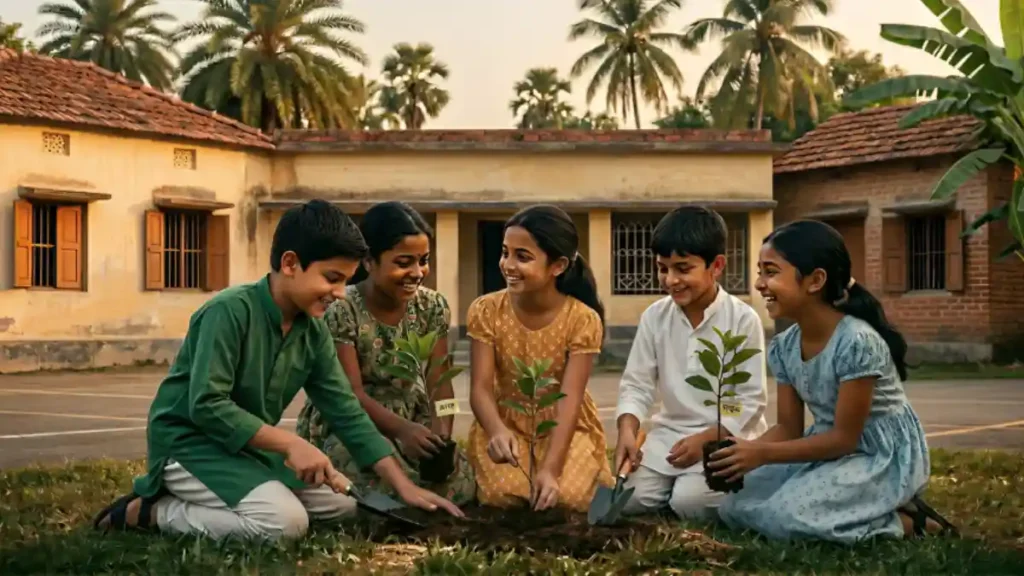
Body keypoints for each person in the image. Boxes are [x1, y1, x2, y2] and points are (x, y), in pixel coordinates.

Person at [91, 199, 463, 542]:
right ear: (290, 264)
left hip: (247, 451)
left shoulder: (313, 329)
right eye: (332, 278)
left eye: (346, 282)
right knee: (284, 524)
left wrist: (402, 485)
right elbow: (206, 405)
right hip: (191, 447)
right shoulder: (228, 312)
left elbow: (346, 408)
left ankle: (233, 498)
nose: (339, 292)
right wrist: (291, 444)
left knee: (345, 507)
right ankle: (154, 512)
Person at [712, 219, 957, 543]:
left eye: (770, 272)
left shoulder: (857, 342)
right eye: (760, 272)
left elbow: (844, 439)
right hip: (825, 446)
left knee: (786, 517)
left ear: (815, 281)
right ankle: (865, 507)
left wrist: (763, 455)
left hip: (878, 456)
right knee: (734, 506)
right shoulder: (784, 347)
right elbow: (788, 429)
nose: (759, 283)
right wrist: (744, 452)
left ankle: (911, 521)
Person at [295, 201, 475, 505]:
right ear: (369, 261)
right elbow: (350, 394)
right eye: (404, 262)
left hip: (414, 422)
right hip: (354, 422)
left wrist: (441, 437)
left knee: (463, 485)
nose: (417, 273)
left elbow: (441, 384)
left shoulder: (432, 307)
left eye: (424, 260)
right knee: (371, 484)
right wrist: (402, 431)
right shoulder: (343, 309)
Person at [614, 206, 769, 521]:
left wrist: (707, 438)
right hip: (669, 437)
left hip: (726, 439)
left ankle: (690, 492)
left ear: (717, 266)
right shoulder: (655, 317)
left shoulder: (743, 319)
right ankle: (671, 490)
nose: (671, 280)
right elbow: (637, 383)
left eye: (683, 268)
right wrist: (627, 430)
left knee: (690, 503)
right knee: (629, 499)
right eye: (662, 268)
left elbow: (748, 400)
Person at [466, 204, 613, 512]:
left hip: (562, 425)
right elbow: (479, 387)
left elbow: (570, 399)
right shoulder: (486, 310)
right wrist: (495, 431)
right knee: (503, 497)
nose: (508, 264)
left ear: (557, 266)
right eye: (506, 252)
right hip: (506, 419)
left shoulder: (582, 319)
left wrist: (551, 469)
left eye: (523, 256)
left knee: (565, 499)